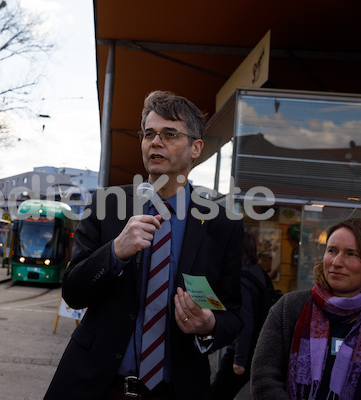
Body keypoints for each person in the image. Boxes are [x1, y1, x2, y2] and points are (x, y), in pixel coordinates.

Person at [45, 90, 243, 400]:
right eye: (149, 134)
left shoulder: (221, 224)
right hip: (98, 386)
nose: (156, 142)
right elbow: (73, 292)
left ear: (196, 148)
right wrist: (114, 253)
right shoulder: (107, 205)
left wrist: (208, 325)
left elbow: (234, 315)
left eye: (170, 134)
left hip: (176, 390)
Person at [251, 218, 361, 400]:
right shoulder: (289, 307)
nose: (336, 262)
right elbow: (264, 378)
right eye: (332, 251)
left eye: (351, 254)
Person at [211, 231, 272, 399]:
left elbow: (246, 322)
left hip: (242, 351)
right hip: (257, 348)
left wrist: (239, 359)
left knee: (217, 394)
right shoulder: (259, 273)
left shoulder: (241, 278)